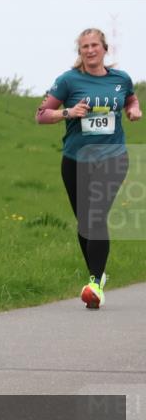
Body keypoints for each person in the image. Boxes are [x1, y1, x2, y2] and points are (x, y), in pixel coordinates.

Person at [35, 28, 141, 308]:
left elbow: (130, 97)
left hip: (113, 157)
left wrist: (133, 109)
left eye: (95, 45)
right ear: (79, 52)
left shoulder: (121, 79)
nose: (90, 50)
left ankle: (94, 284)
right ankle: (98, 274)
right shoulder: (68, 81)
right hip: (75, 160)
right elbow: (41, 114)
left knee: (95, 215)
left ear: (105, 48)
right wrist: (67, 112)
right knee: (85, 222)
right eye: (85, 47)